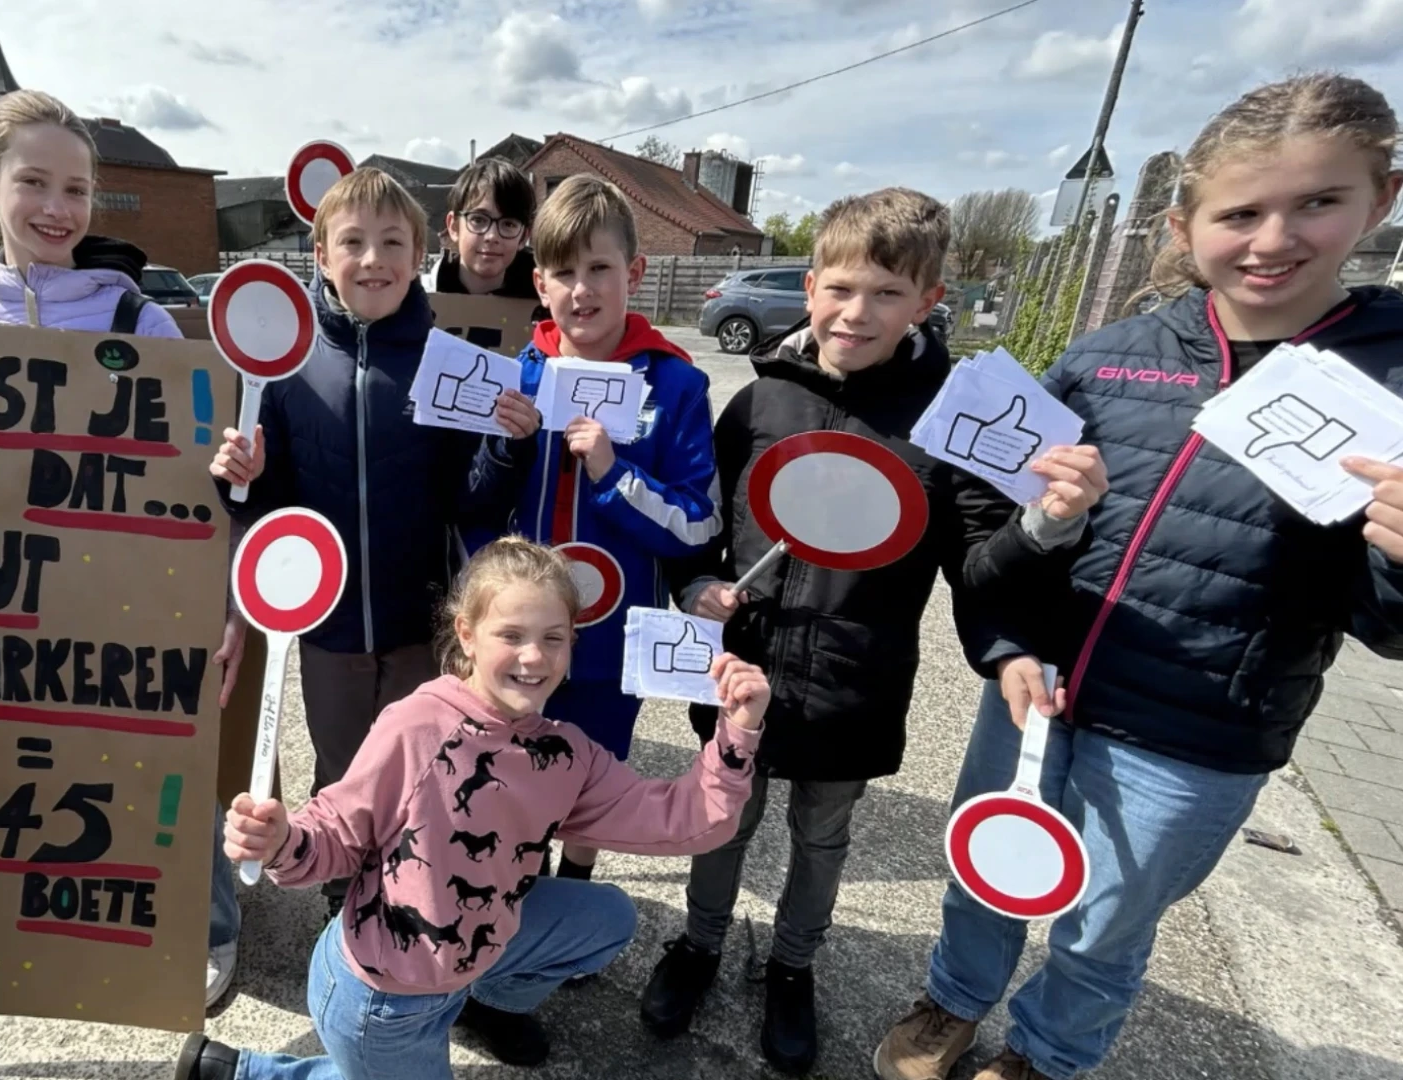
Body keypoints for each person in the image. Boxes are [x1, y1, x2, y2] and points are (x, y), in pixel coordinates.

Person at [874, 72, 1403, 1080]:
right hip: (1042, 693)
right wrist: (1008, 645)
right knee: (988, 862)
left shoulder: (1390, 380)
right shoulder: (1109, 356)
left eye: (1318, 203)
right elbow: (992, 530)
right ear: (1184, 224)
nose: (1273, 238)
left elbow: (1386, 626)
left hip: (1201, 727)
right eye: (1240, 212)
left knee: (1106, 918)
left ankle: (1047, 1053)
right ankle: (952, 994)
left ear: (1381, 200)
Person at [634, 188, 1106, 1073]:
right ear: (811, 288)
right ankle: (697, 945)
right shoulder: (759, 403)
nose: (859, 312)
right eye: (842, 288)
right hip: (744, 667)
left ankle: (792, 968)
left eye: (888, 294)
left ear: (929, 302)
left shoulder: (945, 421)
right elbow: (700, 524)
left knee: (822, 835)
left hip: (859, 676)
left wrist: (1043, 524)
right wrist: (695, 584)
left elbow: (977, 565)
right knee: (721, 816)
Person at [0, 89, 245, 1008]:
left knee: (164, 762)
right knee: (7, 777)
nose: (57, 208)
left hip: (133, 601)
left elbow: (195, 483)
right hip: (1, 605)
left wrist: (222, 600)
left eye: (76, 188)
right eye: (34, 182)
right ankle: (7, 933)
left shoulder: (137, 321)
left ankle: (207, 927)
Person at [173, 538, 771, 1079]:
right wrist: (281, 842)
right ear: (465, 634)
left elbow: (689, 820)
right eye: (510, 635)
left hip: (472, 944)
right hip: (382, 996)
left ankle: (479, 1002)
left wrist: (737, 734)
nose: (533, 657)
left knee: (608, 917)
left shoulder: (566, 754)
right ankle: (252, 1073)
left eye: (552, 638)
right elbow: (334, 833)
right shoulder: (416, 727)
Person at [208, 168, 539, 914]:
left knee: (425, 771)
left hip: (418, 620)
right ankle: (342, 906)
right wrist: (245, 478)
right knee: (340, 769)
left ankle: (411, 901)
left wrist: (509, 448)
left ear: (420, 251)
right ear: (320, 254)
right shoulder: (284, 370)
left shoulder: (446, 360)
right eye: (352, 242)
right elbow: (270, 507)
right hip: (323, 630)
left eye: (392, 242)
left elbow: (469, 499)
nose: (373, 259)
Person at [479, 173, 719, 881]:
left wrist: (614, 476)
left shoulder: (676, 386)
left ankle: (575, 887)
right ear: (539, 283)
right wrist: (503, 446)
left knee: (597, 771)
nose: (581, 289)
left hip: (616, 635)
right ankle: (512, 891)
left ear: (634, 273)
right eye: (563, 272)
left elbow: (698, 526)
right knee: (513, 771)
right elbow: (475, 511)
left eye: (599, 269)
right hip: (523, 631)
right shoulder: (515, 375)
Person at [422, 158, 540, 300]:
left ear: (524, 237)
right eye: (478, 220)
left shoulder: (550, 308)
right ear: (453, 227)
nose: (492, 236)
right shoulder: (418, 304)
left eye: (508, 224)